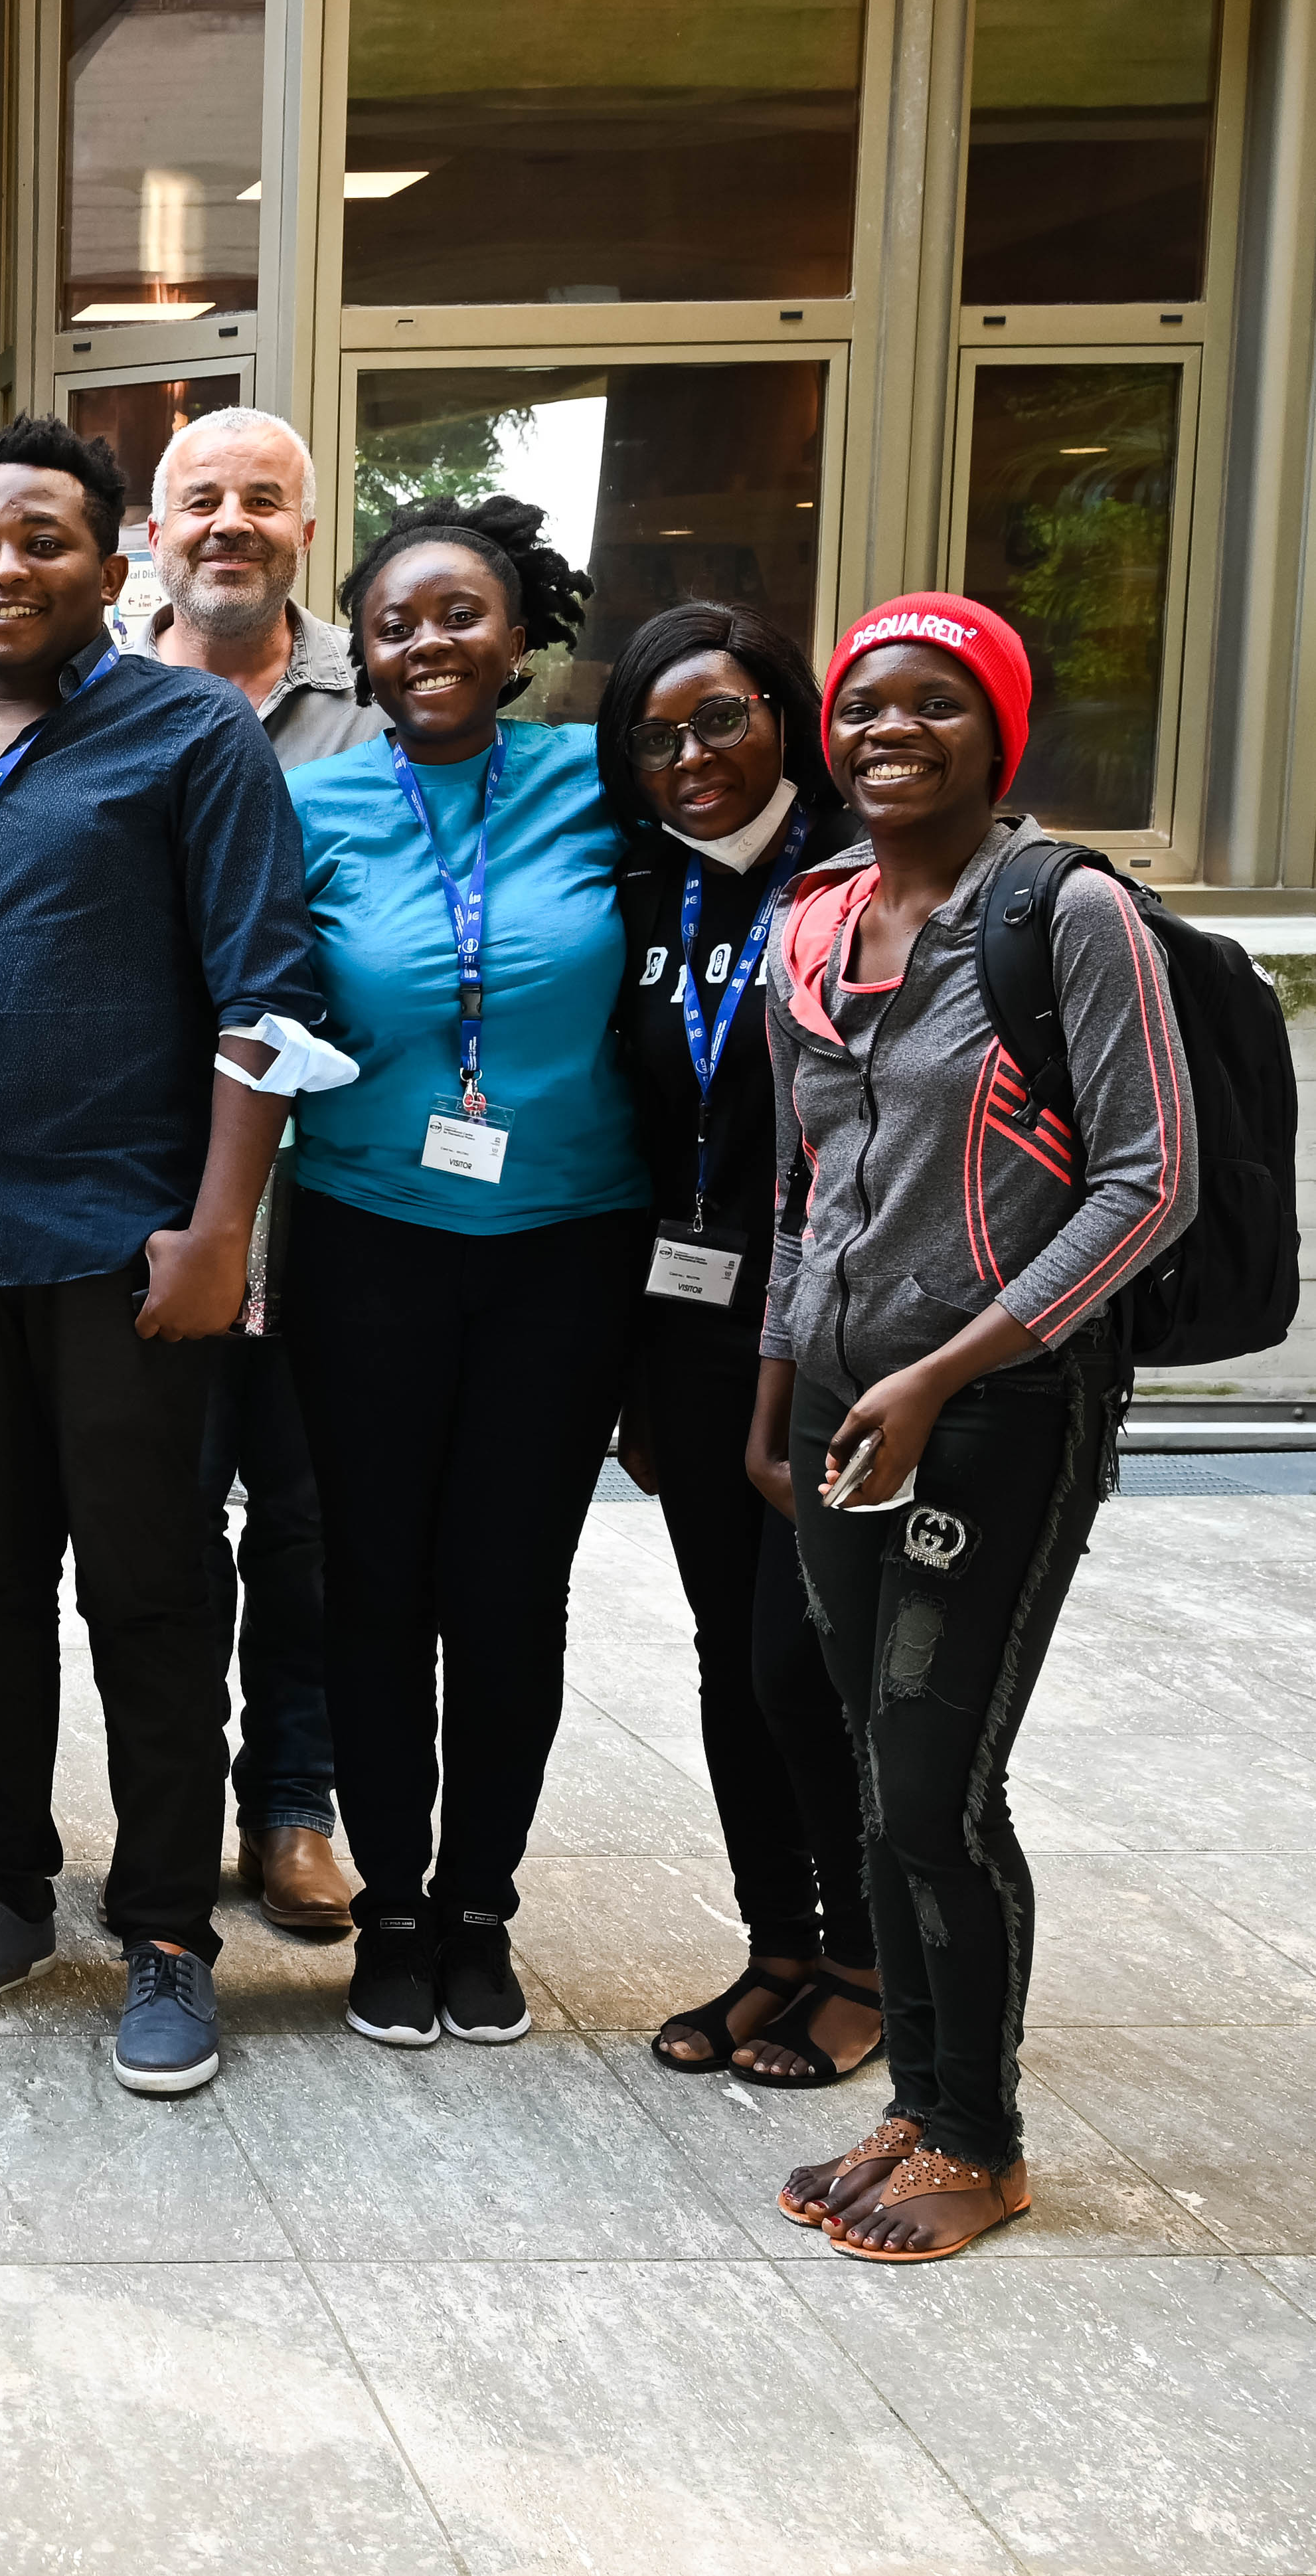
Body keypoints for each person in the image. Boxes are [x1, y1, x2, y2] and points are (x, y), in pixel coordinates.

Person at [0, 418, 331, 2095]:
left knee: (149, 1586)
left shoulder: (189, 734)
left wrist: (218, 1227)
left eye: (40, 539)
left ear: (107, 566)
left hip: (129, 1245)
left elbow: (270, 994)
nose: (2, 568)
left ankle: (166, 1928)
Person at [764, 597, 1192, 2263]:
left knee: (938, 1778)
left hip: (998, 1408)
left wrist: (943, 1367)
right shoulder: (813, 924)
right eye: (862, 703)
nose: (886, 729)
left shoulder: (1062, 910)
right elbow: (809, 1181)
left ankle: (979, 2135)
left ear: (995, 729)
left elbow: (1147, 1183)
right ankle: (920, 2095)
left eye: (933, 704)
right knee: (873, 1773)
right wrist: (793, 1366)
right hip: (839, 1404)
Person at [283, 496, 639, 2054]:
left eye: (458, 613)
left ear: (517, 635)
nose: (425, 641)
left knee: (506, 1587)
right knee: (370, 1582)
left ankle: (477, 1904)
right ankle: (390, 1908)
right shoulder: (317, 809)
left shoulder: (604, 788)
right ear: (355, 652)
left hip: (566, 1248)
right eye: (392, 620)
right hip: (363, 1238)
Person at [598, 604, 872, 2087]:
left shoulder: (853, 881)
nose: (690, 757)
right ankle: (777, 1945)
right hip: (690, 1333)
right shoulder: (651, 891)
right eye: (654, 735)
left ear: (784, 712)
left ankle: (866, 1959)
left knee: (798, 1656)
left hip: (832, 1340)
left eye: (721, 720)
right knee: (727, 1653)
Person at [122, 406, 384, 1937]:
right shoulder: (86, 694)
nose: (229, 521)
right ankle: (161, 1804)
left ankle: (292, 1799)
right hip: (138, 1182)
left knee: (303, 1517)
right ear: (151, 533)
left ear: (304, 528)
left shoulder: (375, 700)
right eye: (198, 498)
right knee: (154, 1521)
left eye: (261, 501)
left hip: (332, 1196)